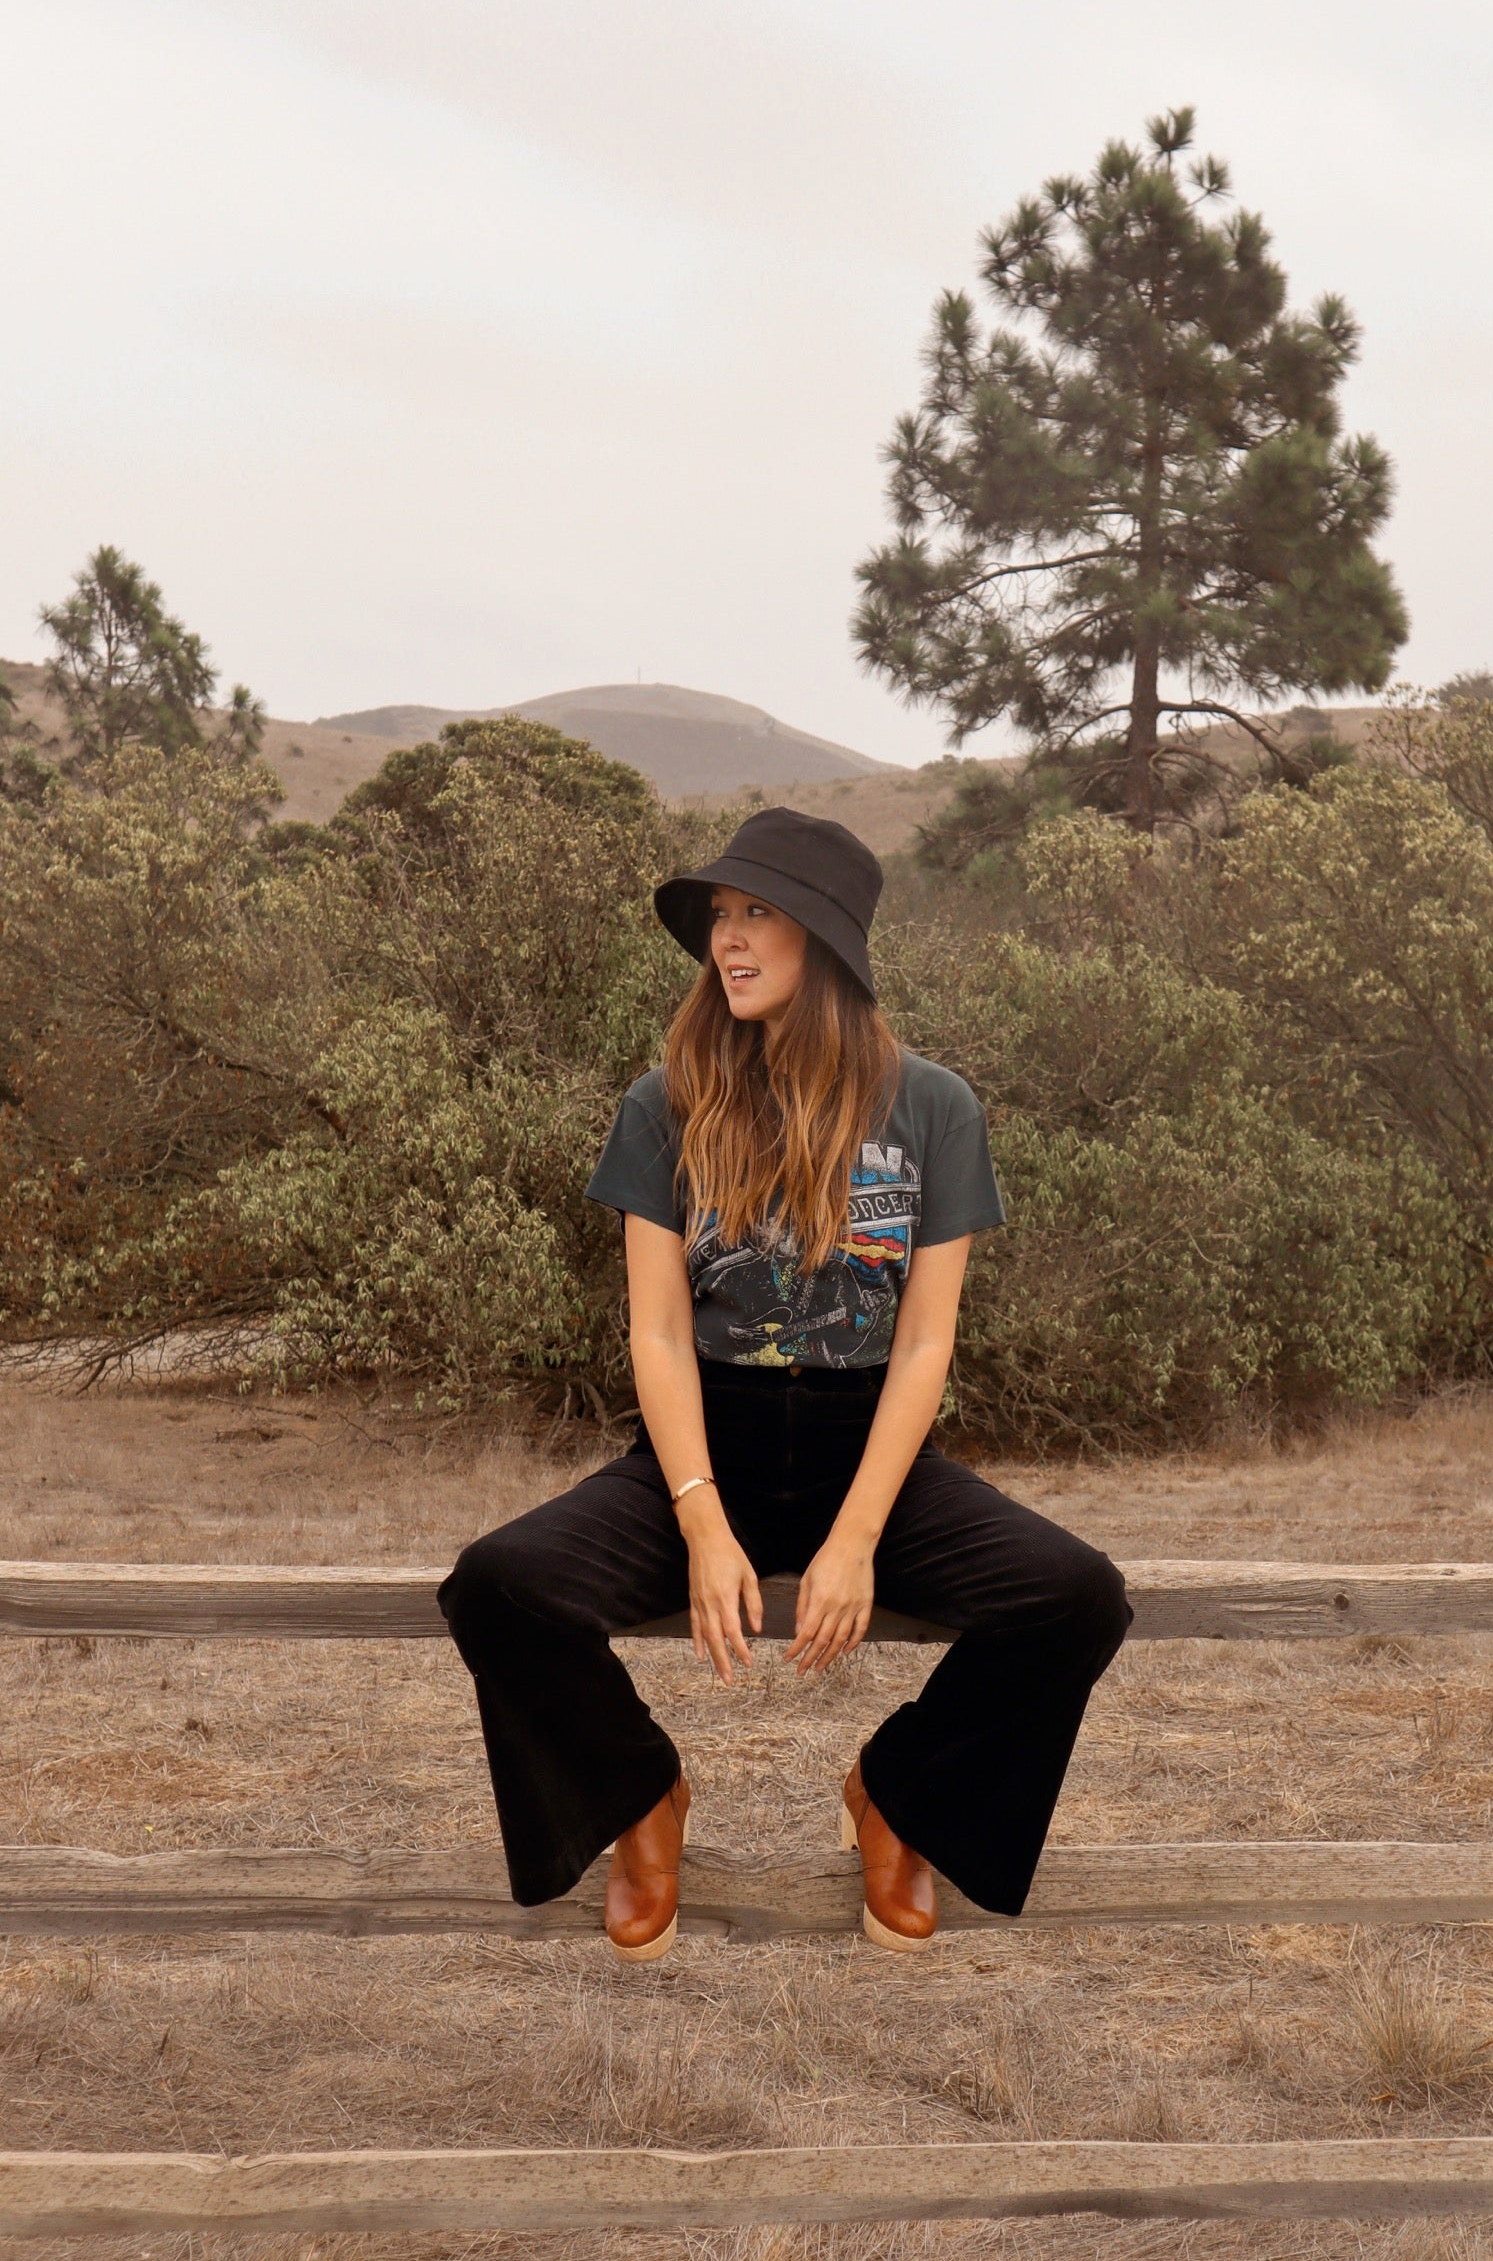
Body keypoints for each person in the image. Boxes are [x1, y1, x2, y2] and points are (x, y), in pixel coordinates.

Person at [439, 807, 1131, 1959]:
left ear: (825, 939)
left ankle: (900, 1797)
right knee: (496, 1588)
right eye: (722, 914)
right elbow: (660, 1335)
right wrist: (702, 1521)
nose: (728, 938)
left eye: (757, 913)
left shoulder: (935, 1109)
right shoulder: (664, 1104)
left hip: (875, 1457)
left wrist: (856, 1536)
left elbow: (926, 1344)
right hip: (704, 1449)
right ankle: (639, 1797)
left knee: (1079, 1600)